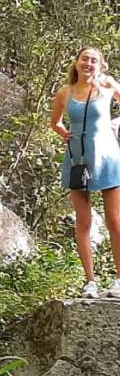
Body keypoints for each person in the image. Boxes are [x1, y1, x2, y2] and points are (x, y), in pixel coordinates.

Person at [51, 46, 120, 298]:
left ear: (100, 65)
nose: (88, 63)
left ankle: (119, 281)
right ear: (77, 62)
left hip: (108, 158)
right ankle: (90, 282)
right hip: (77, 159)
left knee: (115, 221)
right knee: (84, 221)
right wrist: (64, 133)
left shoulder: (107, 85)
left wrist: (115, 126)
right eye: (84, 59)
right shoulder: (65, 92)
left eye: (93, 60)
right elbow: (55, 122)